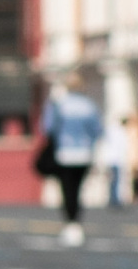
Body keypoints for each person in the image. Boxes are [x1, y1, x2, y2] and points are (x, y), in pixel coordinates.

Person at [41, 70, 101, 243]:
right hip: (84, 154)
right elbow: (97, 130)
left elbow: (48, 128)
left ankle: (70, 223)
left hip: (65, 153)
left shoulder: (60, 104)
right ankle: (76, 223)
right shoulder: (89, 105)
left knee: (67, 190)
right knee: (78, 189)